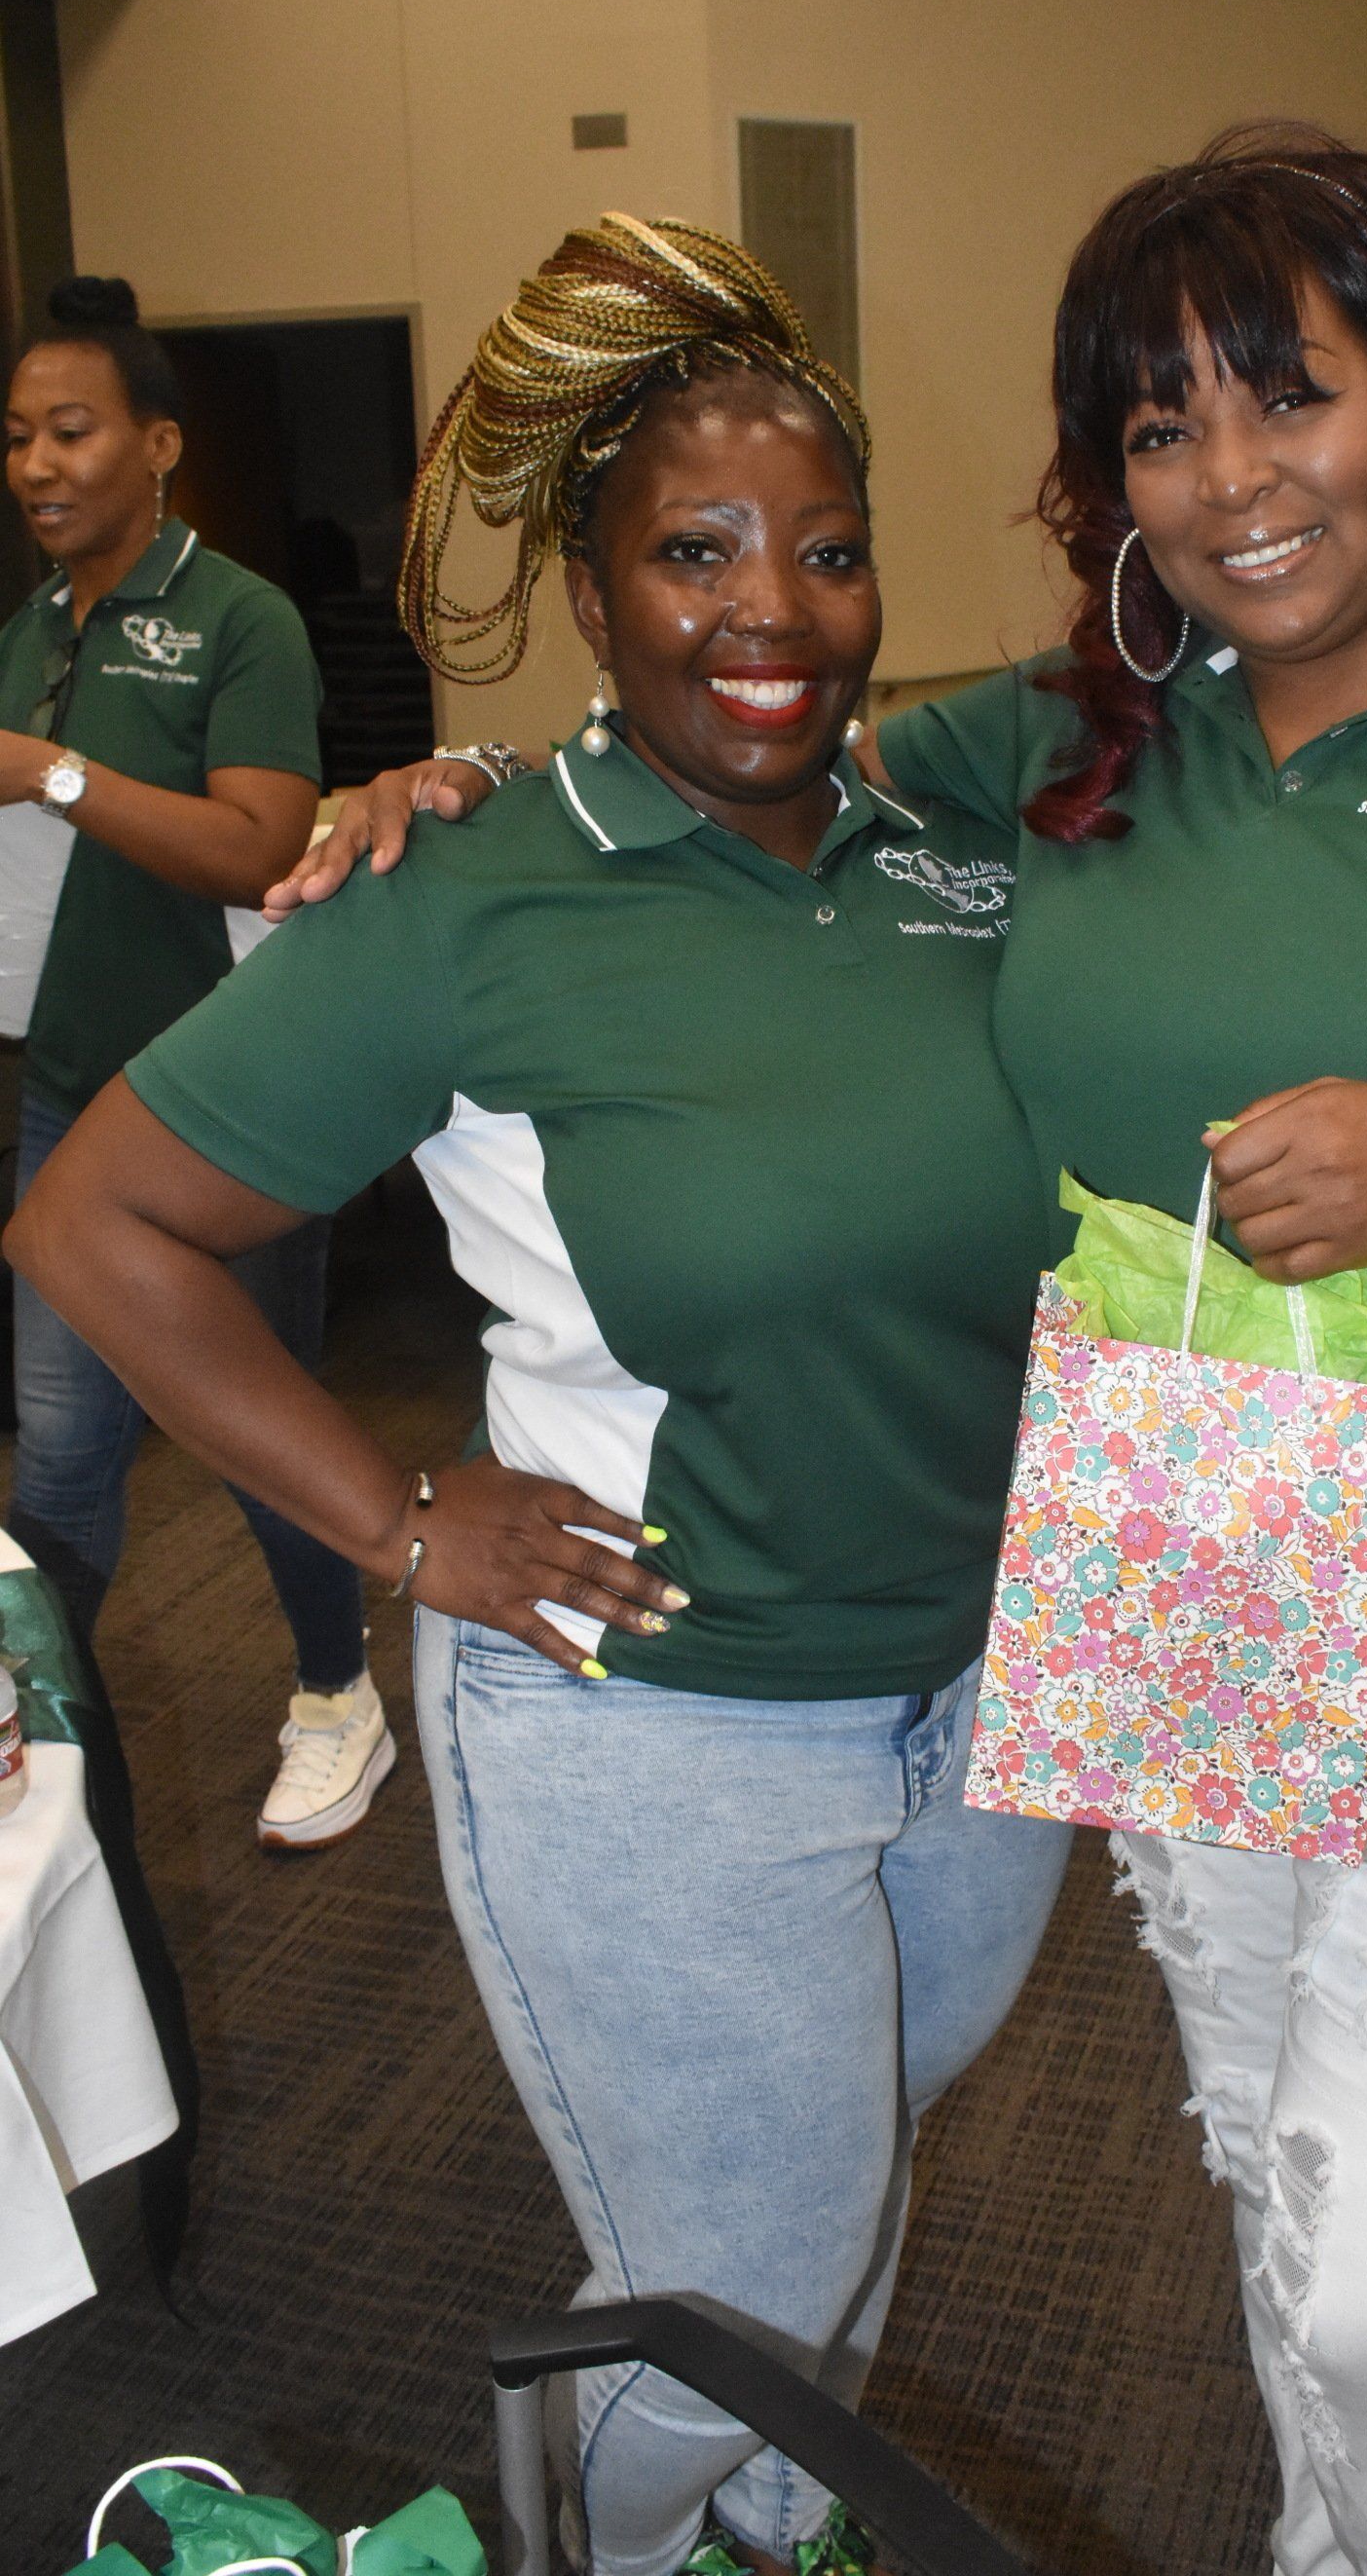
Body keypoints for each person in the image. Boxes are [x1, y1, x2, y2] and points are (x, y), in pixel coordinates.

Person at [301, 129, 1367, 2576]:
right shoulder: (1068, 744)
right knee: (1270, 2167)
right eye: (1162, 426)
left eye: (1292, 397)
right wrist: (471, 791)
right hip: (1193, 1575)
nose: (1235, 481)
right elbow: (746, 752)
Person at [9, 215, 1072, 2576]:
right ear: (590, 591)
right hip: (655, 1715)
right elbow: (89, 1224)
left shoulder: (957, 845)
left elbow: (1183, 698)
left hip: (992, 1705)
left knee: (815, 2226)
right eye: (691, 553)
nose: (768, 609)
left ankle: (743, 2548)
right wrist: (397, 1526)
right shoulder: (468, 890)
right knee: (752, 2284)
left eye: (826, 549)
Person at [0, 277, 382, 1849]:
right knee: (63, 1443)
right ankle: (48, 1742)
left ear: (157, 444)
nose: (36, 462)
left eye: (71, 429)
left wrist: (56, 772)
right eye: (15, 435)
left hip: (231, 1110)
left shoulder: (240, 619)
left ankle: (335, 1693)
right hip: (66, 1088)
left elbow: (256, 845)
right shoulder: (24, 632)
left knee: (249, 1418)